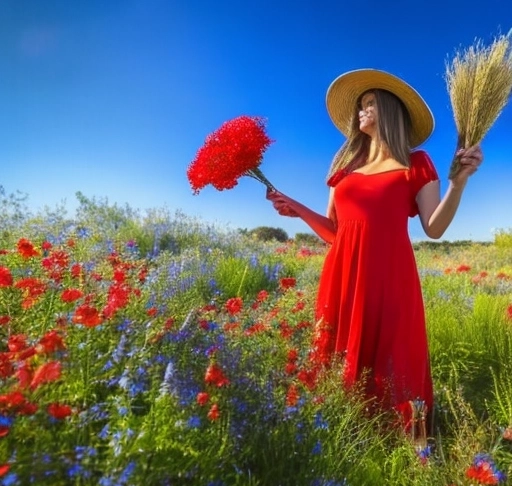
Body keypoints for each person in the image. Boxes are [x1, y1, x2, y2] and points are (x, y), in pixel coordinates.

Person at [266, 68, 483, 440]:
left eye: (369, 103)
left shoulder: (416, 163)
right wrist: (296, 207)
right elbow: (334, 231)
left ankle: (403, 443)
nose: (361, 110)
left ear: (389, 109)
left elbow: (434, 227)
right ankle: (342, 432)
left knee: (395, 355)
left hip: (390, 275)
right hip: (342, 274)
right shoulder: (343, 170)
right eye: (360, 105)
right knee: (337, 352)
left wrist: (457, 183)